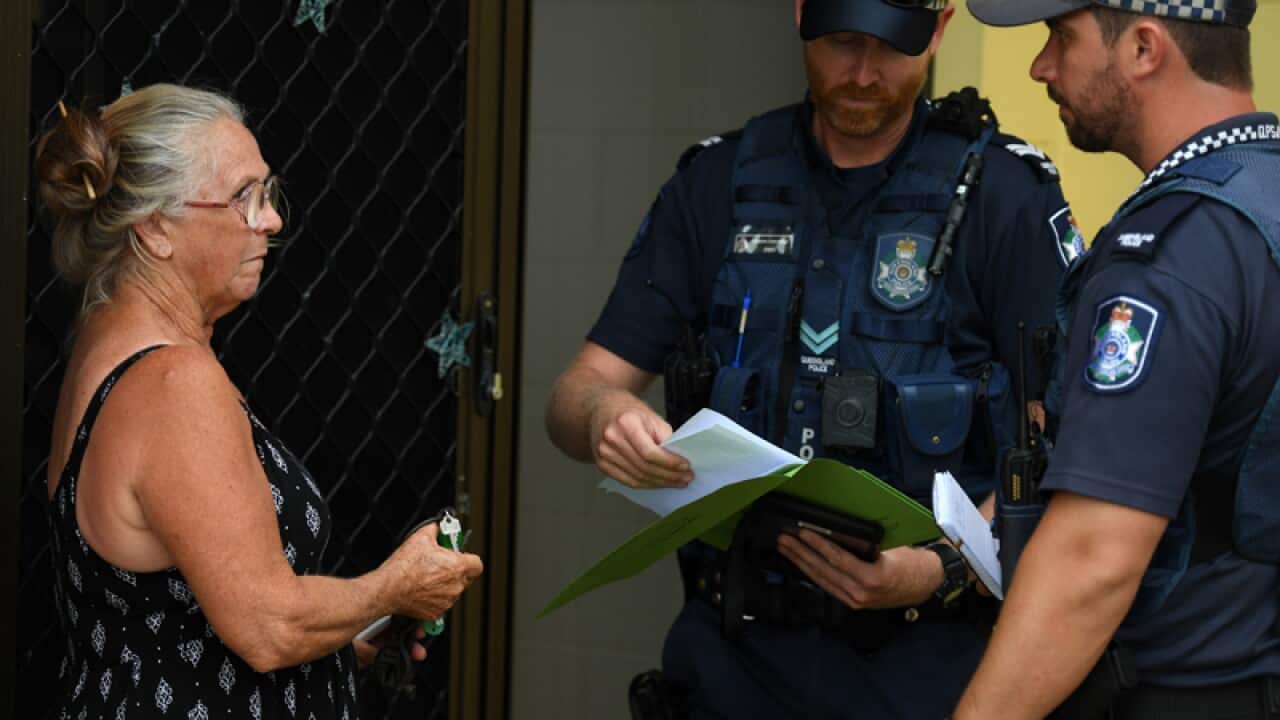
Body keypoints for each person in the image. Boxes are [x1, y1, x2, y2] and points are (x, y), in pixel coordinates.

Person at [545, 0, 1078, 716]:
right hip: (729, 663)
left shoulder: (1004, 195)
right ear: (799, 13)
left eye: (891, 47)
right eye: (840, 41)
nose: (862, 73)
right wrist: (606, 416)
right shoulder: (717, 182)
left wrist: (937, 570)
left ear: (942, 29)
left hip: (930, 668)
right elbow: (574, 396)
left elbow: (1064, 443)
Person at [36, 83, 484, 719]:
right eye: (244, 197)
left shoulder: (108, 344)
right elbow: (266, 627)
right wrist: (397, 587)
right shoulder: (172, 382)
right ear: (157, 228)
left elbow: (171, 622)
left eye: (267, 194)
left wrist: (349, 636)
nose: (270, 220)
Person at [953, 1, 1280, 718]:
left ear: (1143, 48)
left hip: (1183, 689)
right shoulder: (1262, 201)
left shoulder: (1172, 255)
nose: (1042, 67)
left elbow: (1094, 560)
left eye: (1060, 38)